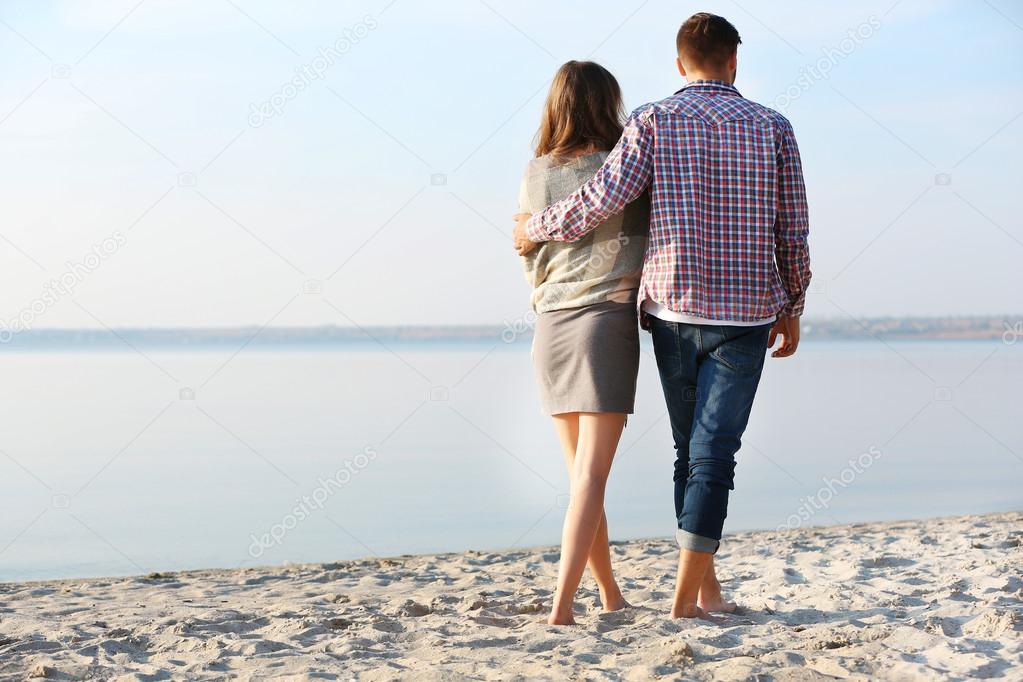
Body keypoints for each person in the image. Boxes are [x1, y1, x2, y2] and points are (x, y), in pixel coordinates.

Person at [514, 13, 811, 620]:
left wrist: (532, 230)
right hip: (749, 311)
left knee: (687, 453)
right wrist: (794, 304)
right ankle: (690, 593)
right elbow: (793, 229)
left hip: (669, 309)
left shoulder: (653, 121)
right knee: (713, 453)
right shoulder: (775, 127)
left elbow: (602, 199)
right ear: (734, 61)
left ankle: (688, 592)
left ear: (680, 64)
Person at [517, 60, 650, 626]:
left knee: (581, 481)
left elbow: (527, 252)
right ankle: (562, 608)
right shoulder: (626, 168)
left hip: (550, 328)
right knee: (592, 479)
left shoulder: (536, 172)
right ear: (608, 103)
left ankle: (610, 595)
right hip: (604, 323)